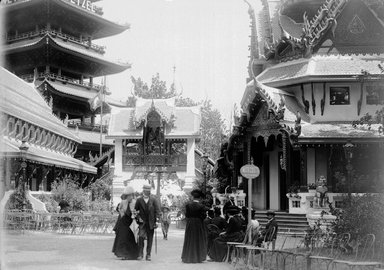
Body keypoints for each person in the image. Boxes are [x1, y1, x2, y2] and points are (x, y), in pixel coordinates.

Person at [134, 184, 161, 261]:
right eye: (146, 190)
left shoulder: (154, 199)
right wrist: (138, 218)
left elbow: (158, 211)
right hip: (142, 223)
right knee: (141, 238)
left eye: (149, 190)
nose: (148, 192)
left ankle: (148, 255)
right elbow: (135, 211)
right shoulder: (139, 200)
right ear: (143, 190)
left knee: (150, 239)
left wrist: (157, 221)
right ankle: (140, 254)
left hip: (151, 222)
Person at [112, 186, 139, 260]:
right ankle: (123, 254)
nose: (130, 197)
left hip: (131, 222)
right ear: (126, 196)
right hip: (123, 222)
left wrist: (135, 214)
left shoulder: (135, 202)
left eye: (131, 195)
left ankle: (132, 254)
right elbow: (118, 209)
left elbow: (137, 211)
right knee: (123, 238)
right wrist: (121, 213)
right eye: (129, 196)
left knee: (131, 238)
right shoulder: (123, 202)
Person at [181, 189, 208, 263]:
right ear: (199, 198)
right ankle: (198, 257)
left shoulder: (188, 205)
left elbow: (187, 215)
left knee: (190, 238)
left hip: (190, 223)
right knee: (198, 239)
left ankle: (188, 257)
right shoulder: (202, 206)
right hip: (198, 223)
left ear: (193, 197)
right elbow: (203, 216)